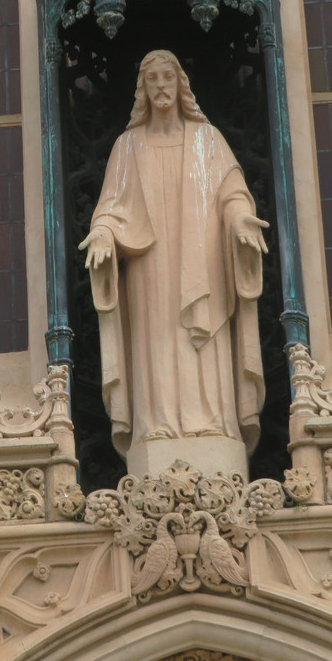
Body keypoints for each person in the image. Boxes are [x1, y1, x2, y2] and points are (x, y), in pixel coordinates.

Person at [79, 50, 267, 459]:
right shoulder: (127, 146)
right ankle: (155, 427)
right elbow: (111, 207)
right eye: (153, 79)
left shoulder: (208, 139)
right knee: (158, 342)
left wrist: (240, 221)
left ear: (181, 84)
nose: (161, 86)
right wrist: (102, 234)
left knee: (202, 341)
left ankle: (214, 423)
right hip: (149, 268)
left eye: (168, 77)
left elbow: (231, 193)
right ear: (142, 90)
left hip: (203, 261)